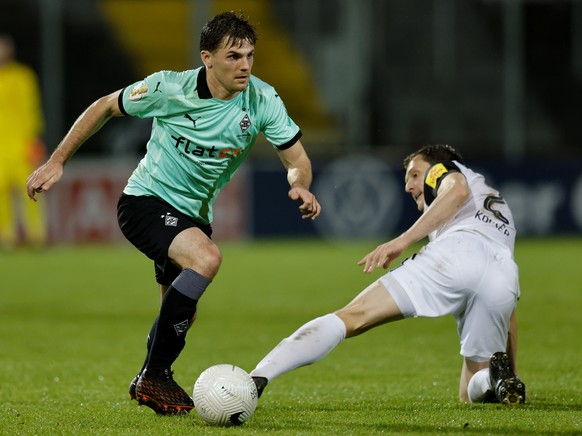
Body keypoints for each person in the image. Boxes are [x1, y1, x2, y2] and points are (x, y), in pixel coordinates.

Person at [26, 12, 321, 415]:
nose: (245, 65)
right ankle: (155, 376)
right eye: (234, 56)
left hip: (194, 215)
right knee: (207, 259)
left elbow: (297, 158)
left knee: (181, 309)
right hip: (144, 202)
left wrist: (298, 183)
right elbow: (103, 106)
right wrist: (57, 161)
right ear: (207, 58)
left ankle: (150, 378)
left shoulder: (262, 99)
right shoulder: (169, 87)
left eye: (250, 55)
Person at [250, 144, 526, 406]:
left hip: (457, 253)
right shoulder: (497, 205)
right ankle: (497, 379)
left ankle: (257, 377)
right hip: (503, 276)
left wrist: (401, 241)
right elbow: (508, 313)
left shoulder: (442, 168)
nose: (408, 186)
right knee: (471, 391)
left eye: (415, 174)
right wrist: (513, 370)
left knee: (352, 317)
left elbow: (456, 191)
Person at [0, 34, 47, 249]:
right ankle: (6, 236)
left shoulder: (24, 76)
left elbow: (33, 110)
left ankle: (36, 235)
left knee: (31, 191)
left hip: (22, 145)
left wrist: (35, 140)